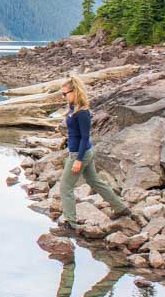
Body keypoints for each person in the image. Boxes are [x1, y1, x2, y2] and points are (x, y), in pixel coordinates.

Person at [54, 74, 132, 233]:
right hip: (80, 151)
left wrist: (78, 160)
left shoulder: (82, 112)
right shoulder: (72, 108)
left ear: (75, 91)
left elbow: (85, 137)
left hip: (80, 154)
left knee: (65, 187)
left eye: (65, 93)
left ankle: (70, 223)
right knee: (95, 181)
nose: (64, 97)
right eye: (62, 94)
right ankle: (121, 208)